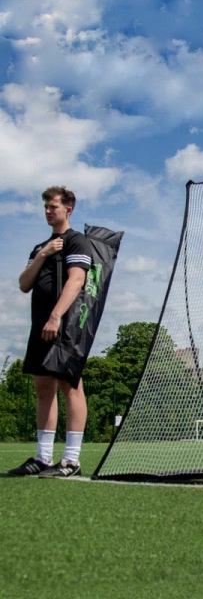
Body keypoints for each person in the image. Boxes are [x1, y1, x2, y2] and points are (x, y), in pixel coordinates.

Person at [8, 186, 93, 478]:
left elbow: (77, 280)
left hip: (65, 325)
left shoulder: (76, 241)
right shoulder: (40, 247)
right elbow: (24, 284)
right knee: (43, 388)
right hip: (40, 324)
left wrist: (56, 316)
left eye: (53, 206)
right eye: (45, 206)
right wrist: (43, 254)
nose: (47, 211)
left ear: (68, 209)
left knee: (71, 386)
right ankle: (43, 458)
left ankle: (71, 460)